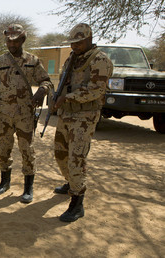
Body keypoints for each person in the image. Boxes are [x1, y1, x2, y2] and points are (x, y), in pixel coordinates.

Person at [0, 24, 53, 203]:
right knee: (3, 149)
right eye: (9, 40)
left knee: (27, 150)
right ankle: (4, 182)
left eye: (15, 40)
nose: (11, 44)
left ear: (23, 40)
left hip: (25, 114)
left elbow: (46, 81)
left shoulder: (33, 60)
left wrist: (42, 91)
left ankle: (28, 188)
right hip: (4, 115)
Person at [53, 23, 113, 222]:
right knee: (60, 153)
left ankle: (77, 203)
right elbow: (63, 82)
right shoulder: (73, 58)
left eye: (79, 43)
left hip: (85, 116)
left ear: (89, 39)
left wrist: (68, 97)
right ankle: (71, 183)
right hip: (66, 115)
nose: (75, 46)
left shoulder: (99, 60)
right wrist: (57, 97)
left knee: (76, 158)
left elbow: (96, 89)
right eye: (73, 43)